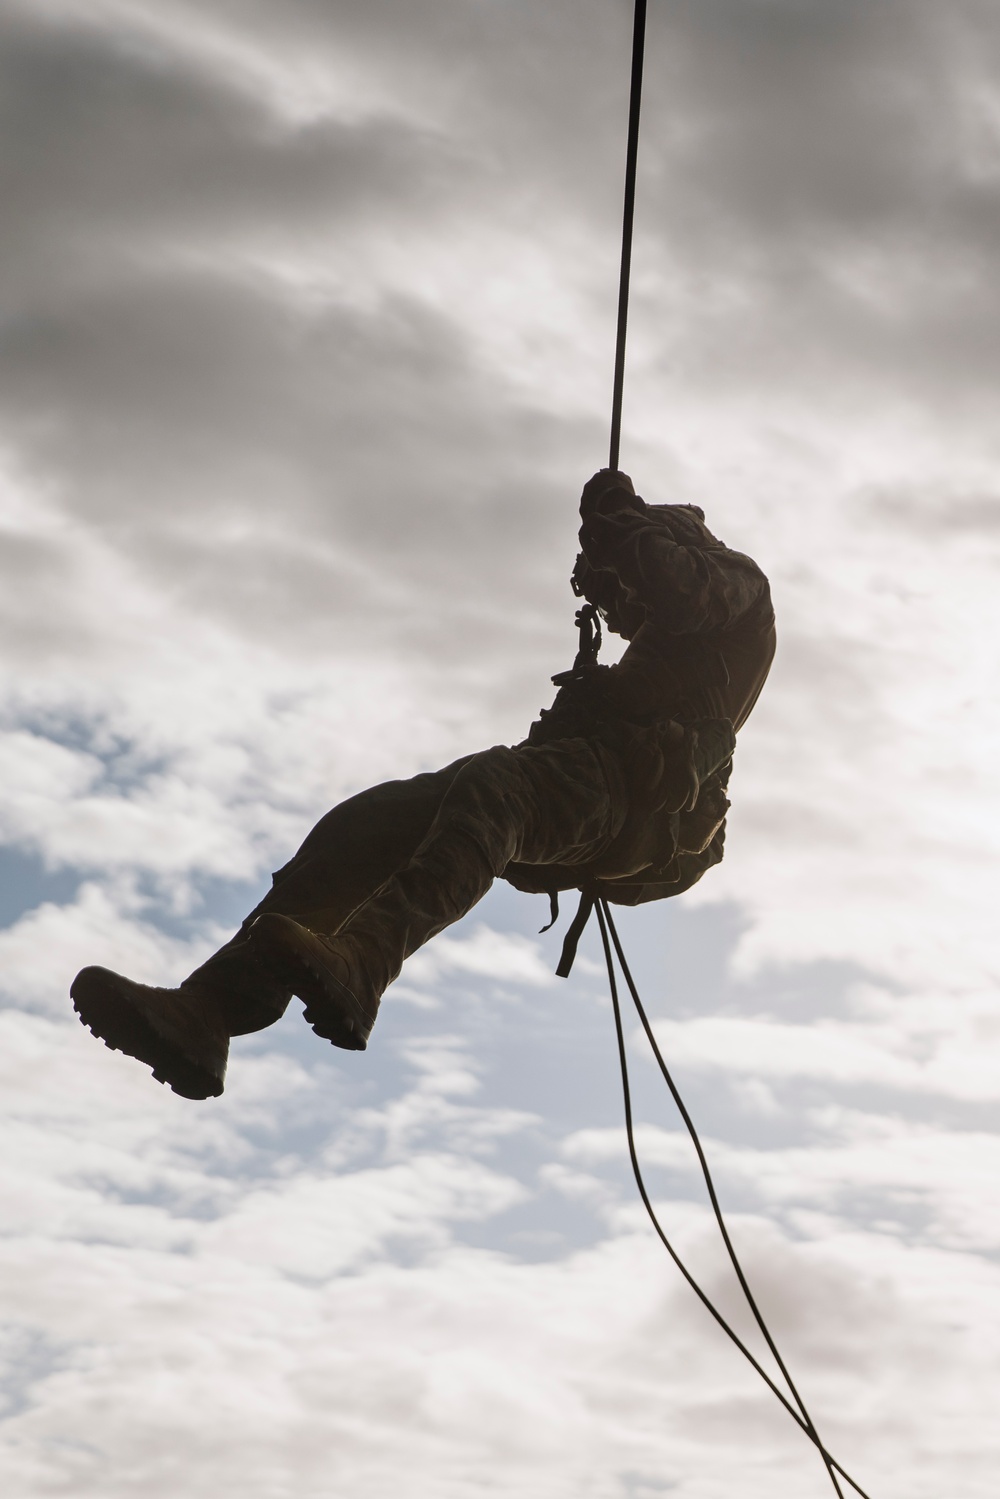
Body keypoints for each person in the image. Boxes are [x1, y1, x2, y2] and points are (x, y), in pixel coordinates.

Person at [71, 470, 775, 1101]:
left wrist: (616, 517)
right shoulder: (656, 652)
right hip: (604, 789)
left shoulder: (739, 593)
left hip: (641, 809)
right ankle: (210, 1013)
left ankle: (363, 964)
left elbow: (676, 587)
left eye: (621, 592)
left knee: (499, 788)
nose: (617, 608)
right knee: (370, 825)